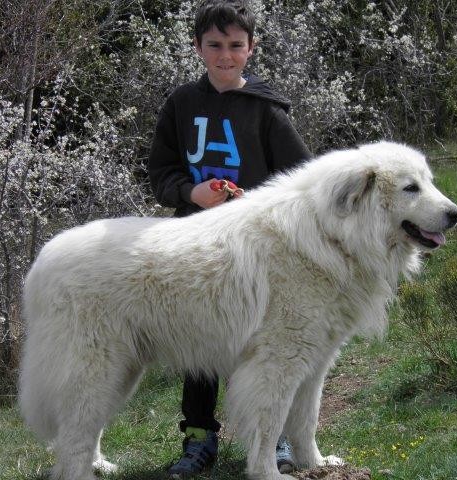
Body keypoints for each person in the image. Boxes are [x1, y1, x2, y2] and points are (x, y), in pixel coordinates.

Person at [147, 1, 312, 477]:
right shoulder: (179, 104)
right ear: (198, 47)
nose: (225, 55)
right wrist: (190, 192)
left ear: (251, 48)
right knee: (201, 342)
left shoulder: (267, 110)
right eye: (215, 45)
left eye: (236, 46)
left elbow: (302, 180)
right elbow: (161, 172)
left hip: (256, 252)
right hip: (195, 244)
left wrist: (256, 207)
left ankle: (270, 434)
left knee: (258, 343)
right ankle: (199, 439)